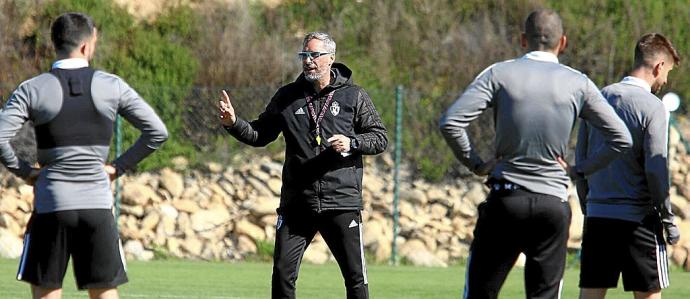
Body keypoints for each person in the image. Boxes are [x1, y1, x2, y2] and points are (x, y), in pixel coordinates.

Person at [440, 9, 633, 299]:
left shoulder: (499, 73)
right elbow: (622, 138)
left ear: (522, 40)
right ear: (563, 42)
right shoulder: (578, 83)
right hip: (552, 206)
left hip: (506, 200)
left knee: (480, 293)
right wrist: (579, 169)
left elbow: (450, 122)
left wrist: (477, 163)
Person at [0, 12, 168, 299]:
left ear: (55, 44)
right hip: (97, 208)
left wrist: (25, 171)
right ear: (87, 45)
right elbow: (157, 131)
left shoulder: (33, 88)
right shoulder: (111, 86)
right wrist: (117, 167)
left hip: (51, 206)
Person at [218, 32, 387, 299]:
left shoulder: (354, 96)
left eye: (314, 55)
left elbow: (379, 138)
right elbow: (260, 134)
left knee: (356, 279)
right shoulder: (287, 96)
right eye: (304, 55)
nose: (308, 61)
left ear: (330, 59)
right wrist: (233, 123)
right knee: (282, 276)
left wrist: (352, 143)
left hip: (341, 201)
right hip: (298, 204)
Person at [576, 33, 681, 299]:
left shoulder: (598, 98)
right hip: (639, 221)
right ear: (658, 66)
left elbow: (581, 162)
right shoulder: (654, 108)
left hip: (599, 216)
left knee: (590, 295)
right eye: (667, 72)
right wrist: (668, 220)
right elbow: (655, 171)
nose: (665, 80)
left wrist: (588, 206)